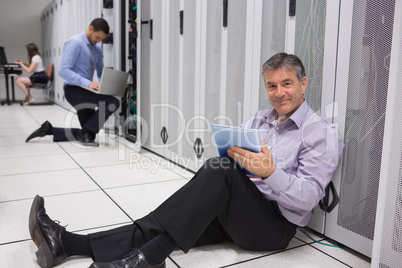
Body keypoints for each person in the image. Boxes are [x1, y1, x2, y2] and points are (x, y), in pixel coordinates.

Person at [28, 53, 344, 268]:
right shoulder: (259, 120)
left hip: (274, 228)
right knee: (167, 226)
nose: (279, 93)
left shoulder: (320, 134)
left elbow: (308, 198)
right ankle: (68, 244)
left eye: (287, 84)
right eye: (272, 86)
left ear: (303, 84)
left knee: (219, 173)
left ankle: (150, 259)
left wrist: (272, 172)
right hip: (238, 209)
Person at [25, 18, 120, 147]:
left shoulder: (97, 48)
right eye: (97, 37)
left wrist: (110, 84)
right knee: (113, 102)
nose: (98, 41)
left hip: (87, 90)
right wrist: (88, 83)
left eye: (101, 39)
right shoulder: (75, 42)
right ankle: (83, 133)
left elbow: (100, 72)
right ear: (90, 28)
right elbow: (63, 71)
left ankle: (49, 129)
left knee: (88, 133)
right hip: (74, 90)